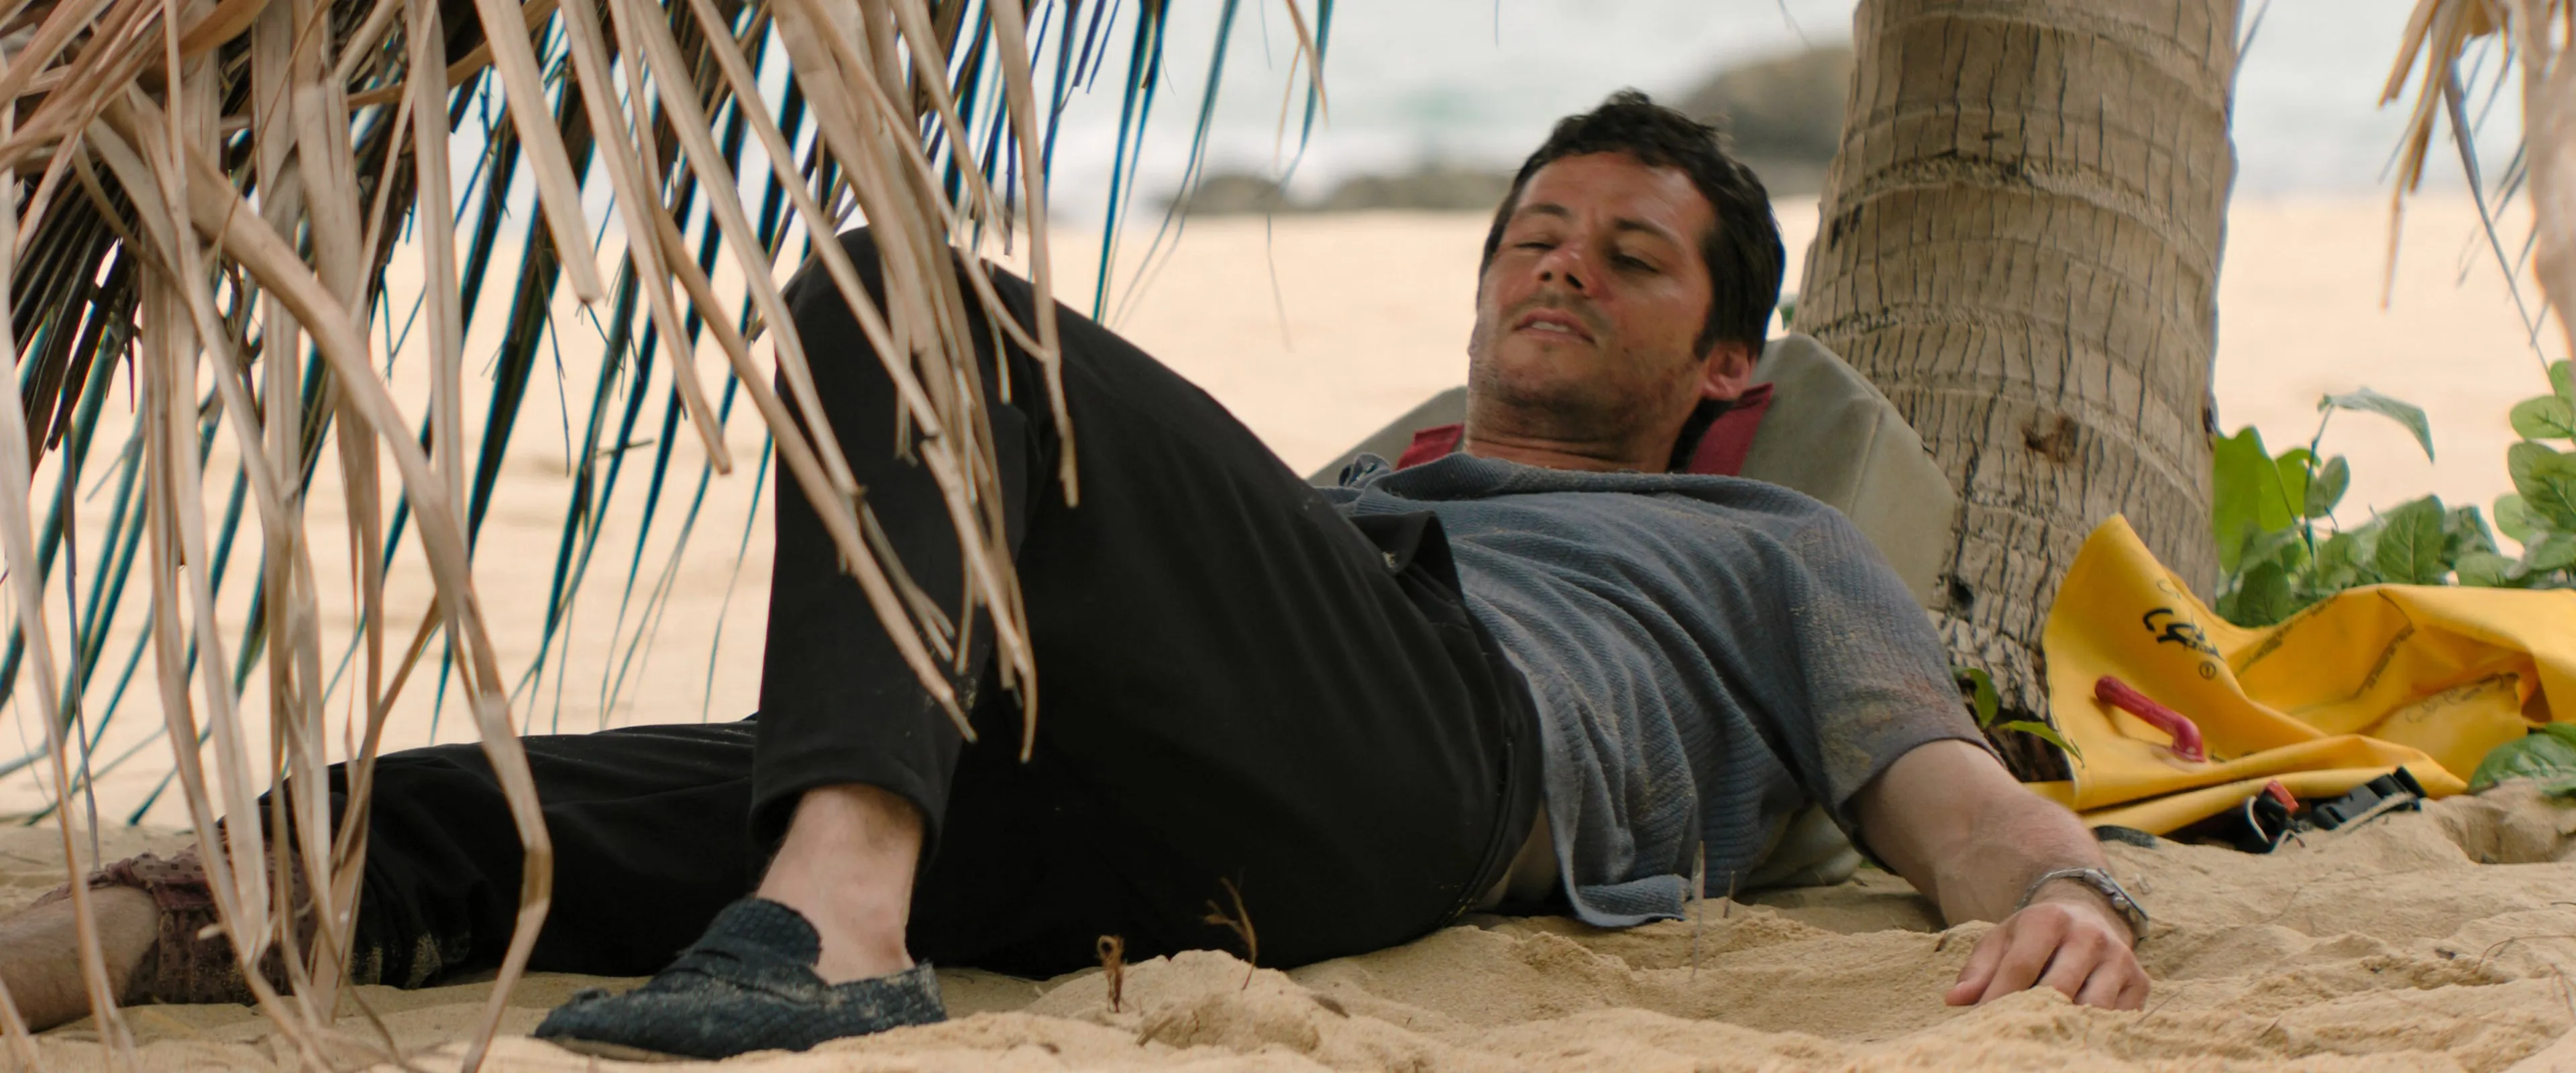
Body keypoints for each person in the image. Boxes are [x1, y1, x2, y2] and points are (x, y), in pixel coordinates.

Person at [0, 91, 2147, 1058]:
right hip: (1114, 826)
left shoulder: (1762, 540)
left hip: (1447, 762)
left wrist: (2071, 898)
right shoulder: (1345, 492)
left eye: (1634, 256)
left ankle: (835, 925)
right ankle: (89, 944)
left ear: (1731, 363)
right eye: (1534, 235)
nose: (1561, 267)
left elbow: (1949, 799)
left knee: (906, 296)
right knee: (481, 807)